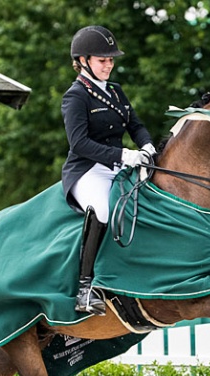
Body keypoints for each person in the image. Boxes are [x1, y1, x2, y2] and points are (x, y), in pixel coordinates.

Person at [61, 25, 156, 316]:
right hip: (87, 169)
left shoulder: (115, 91)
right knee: (103, 209)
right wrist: (124, 154)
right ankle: (85, 290)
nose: (109, 64)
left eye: (111, 59)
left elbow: (135, 125)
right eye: (103, 60)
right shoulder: (75, 97)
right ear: (83, 61)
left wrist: (148, 146)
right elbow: (79, 143)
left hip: (117, 166)